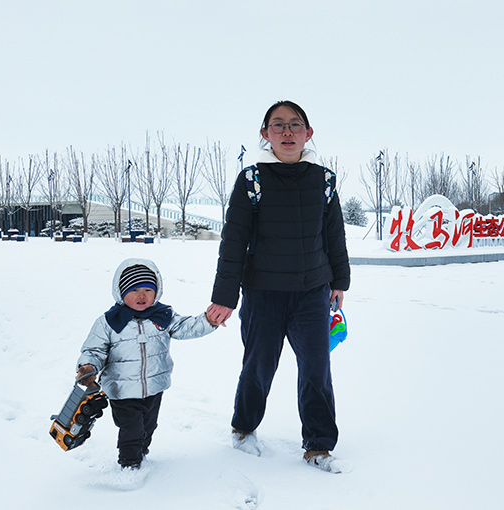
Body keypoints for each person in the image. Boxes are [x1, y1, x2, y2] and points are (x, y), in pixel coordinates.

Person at [208, 100, 351, 472]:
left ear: (308, 133)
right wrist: (225, 297)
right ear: (265, 134)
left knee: (317, 369)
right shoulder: (252, 180)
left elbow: (334, 235)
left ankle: (319, 445)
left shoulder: (324, 181)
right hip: (263, 294)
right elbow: (234, 241)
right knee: (258, 365)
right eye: (278, 125)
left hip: (312, 294)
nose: (287, 132)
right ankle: (243, 427)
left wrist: (339, 281)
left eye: (294, 124)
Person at [77, 257, 220, 469]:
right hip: (122, 389)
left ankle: (141, 452)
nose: (141, 296)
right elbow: (94, 350)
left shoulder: (162, 316)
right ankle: (129, 463)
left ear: (157, 291)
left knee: (148, 425)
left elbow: (186, 327)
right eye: (134, 290)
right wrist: (88, 368)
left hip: (154, 386)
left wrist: (208, 320)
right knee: (131, 428)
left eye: (147, 289)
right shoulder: (109, 322)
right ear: (121, 292)